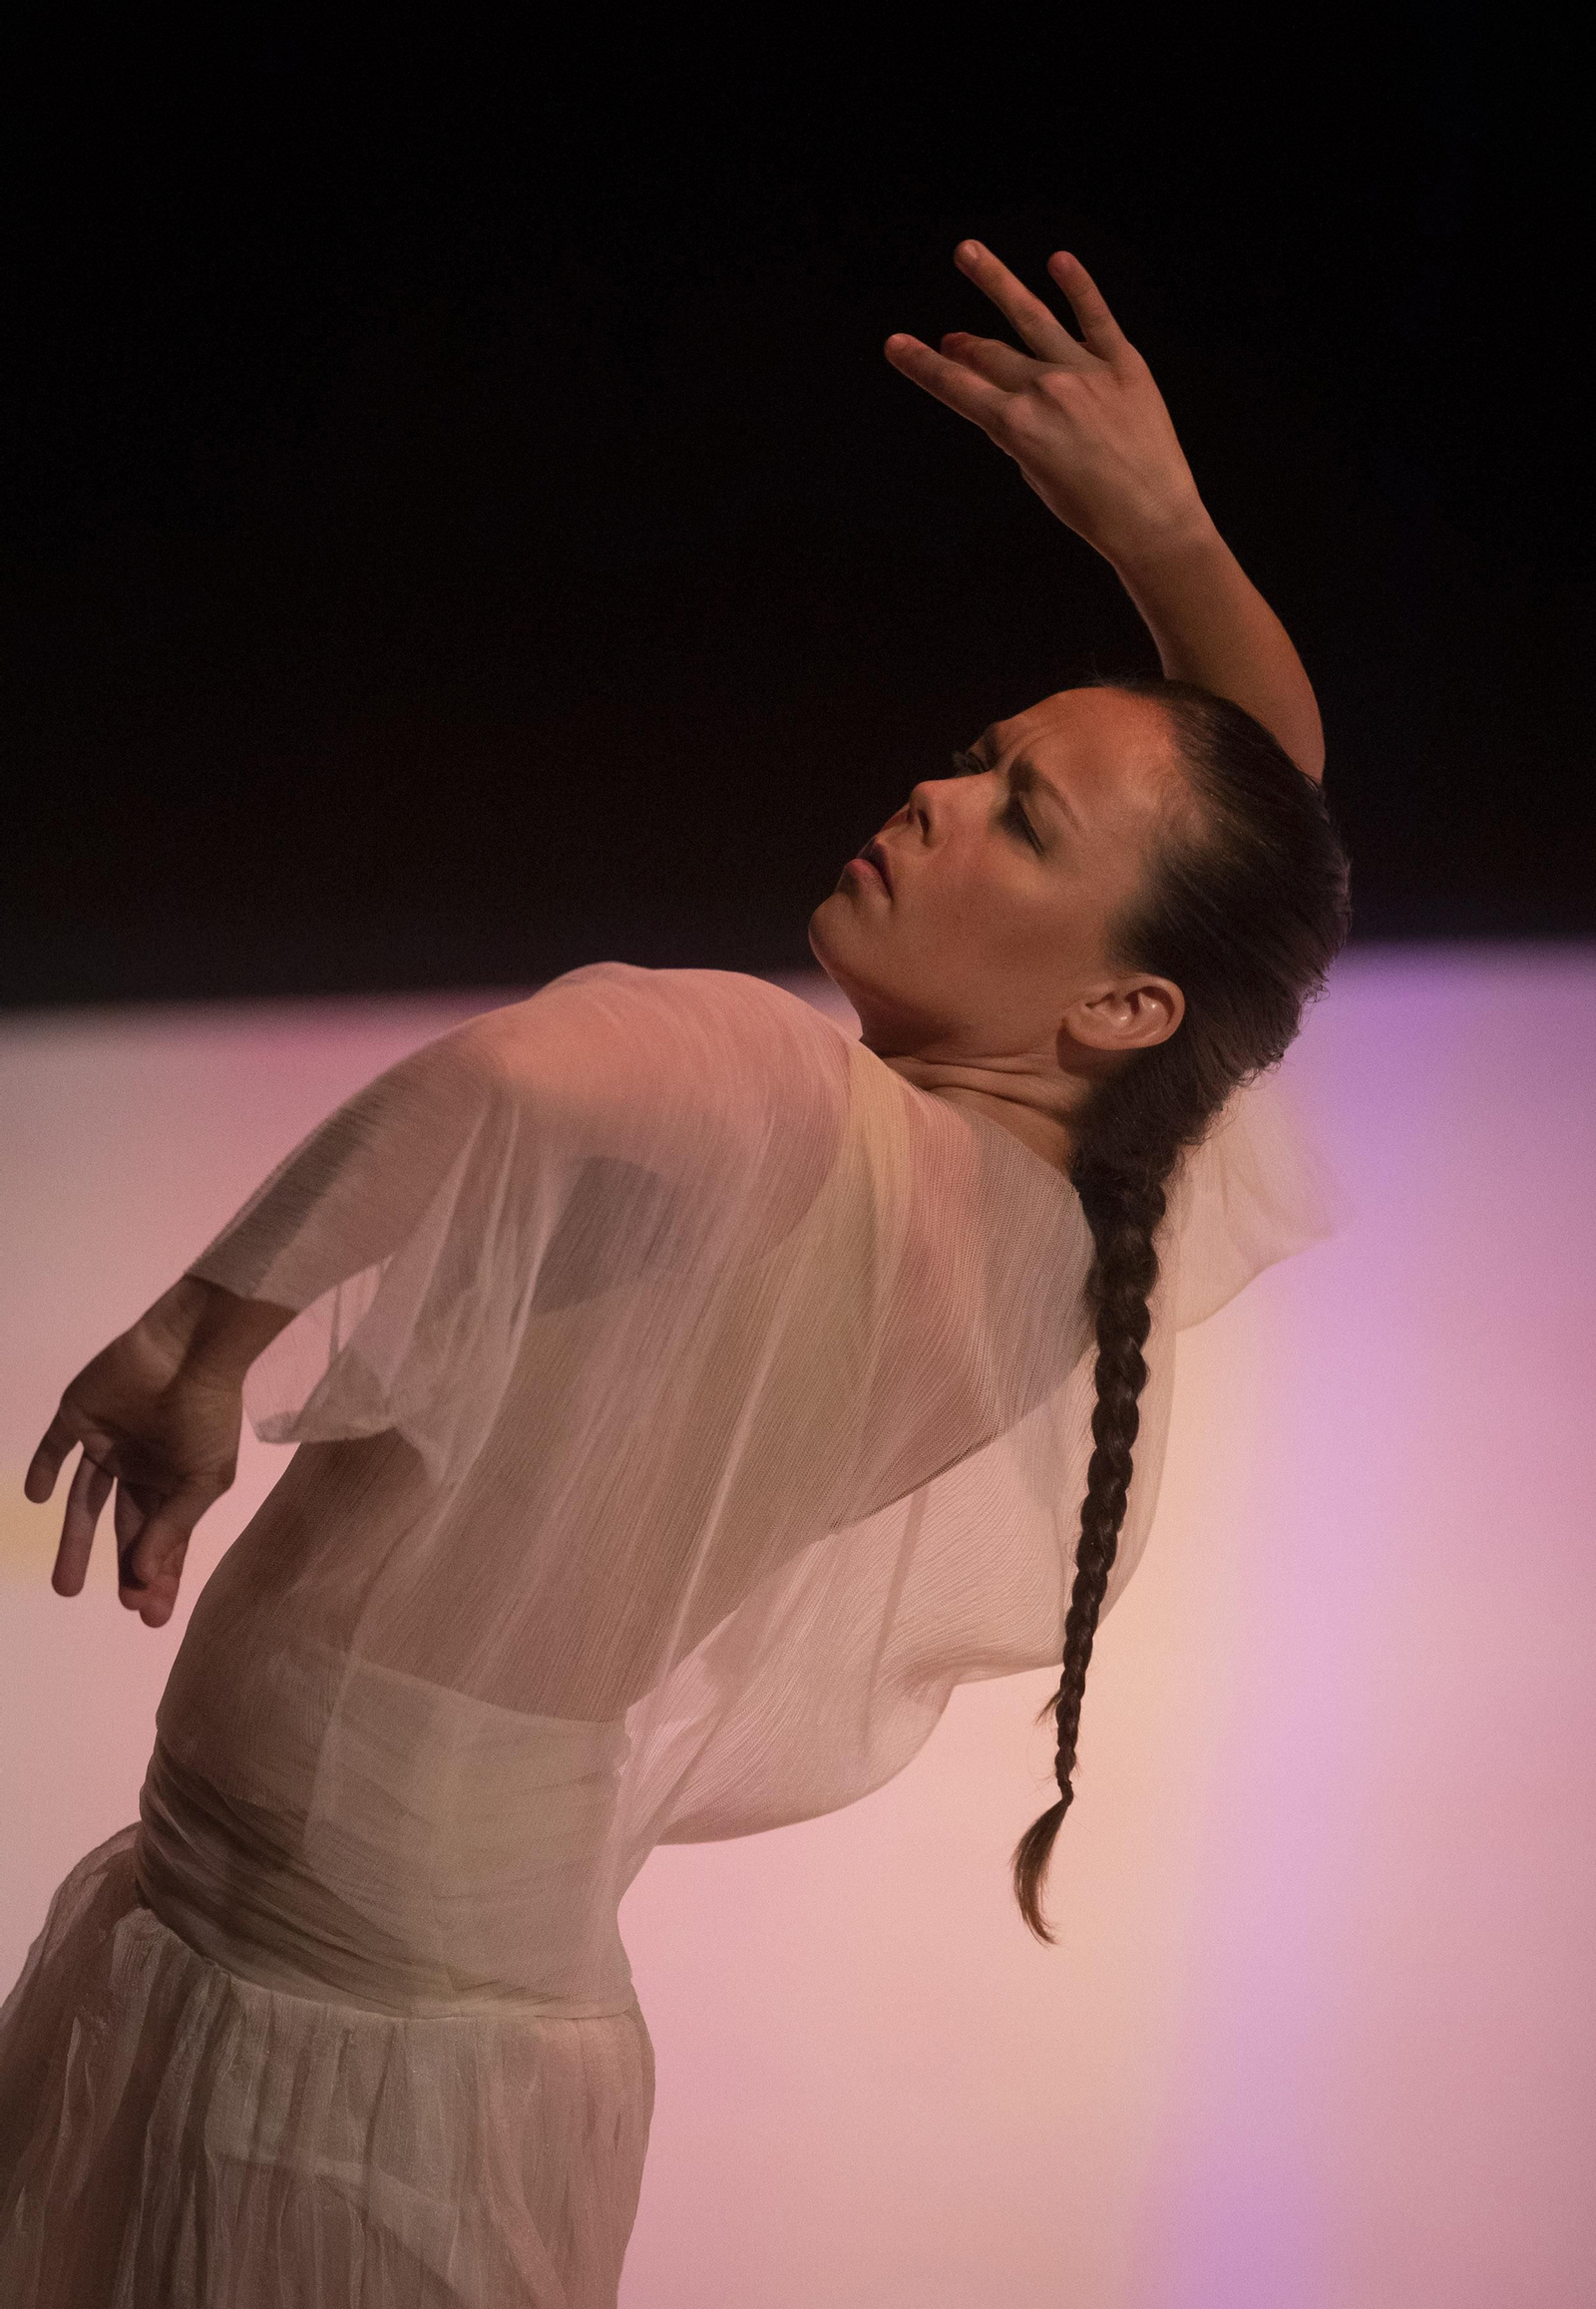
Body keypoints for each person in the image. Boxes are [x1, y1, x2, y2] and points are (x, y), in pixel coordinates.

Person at [0, 241, 1350, 2306]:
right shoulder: (1082, 1220)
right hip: (415, 1977)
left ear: (1119, 1004)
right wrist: (1162, 540)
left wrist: (206, 1335)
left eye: (1019, 818)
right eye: (975, 753)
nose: (936, 790)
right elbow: (1259, 827)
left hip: (328, 2014)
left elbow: (521, 1067)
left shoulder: (787, 1104)